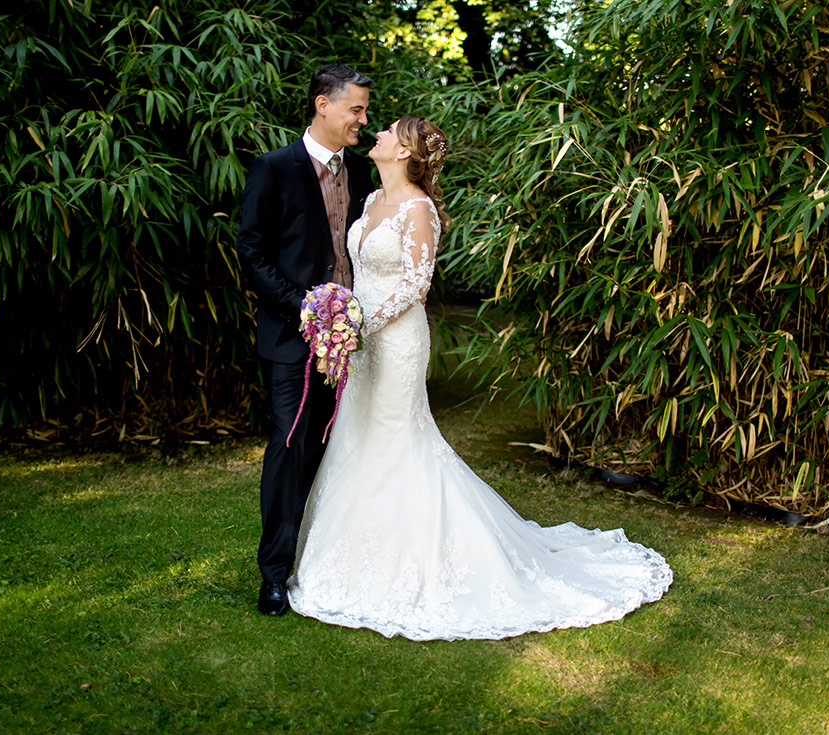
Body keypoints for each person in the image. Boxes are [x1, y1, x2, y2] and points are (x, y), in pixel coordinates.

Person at [286, 115, 673, 640]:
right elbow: (356, 270)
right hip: (360, 340)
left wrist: (360, 323)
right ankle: (348, 561)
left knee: (398, 438)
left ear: (403, 152)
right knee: (358, 436)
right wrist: (340, 312)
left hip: (396, 339)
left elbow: (417, 287)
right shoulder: (372, 202)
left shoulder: (418, 209)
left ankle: (425, 562)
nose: (374, 134)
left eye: (387, 132)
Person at [235, 64, 375, 616]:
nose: (363, 119)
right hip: (294, 341)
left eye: (364, 110)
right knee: (289, 449)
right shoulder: (274, 168)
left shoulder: (362, 172)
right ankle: (273, 574)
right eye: (356, 109)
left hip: (350, 345)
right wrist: (306, 307)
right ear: (323, 105)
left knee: (333, 450)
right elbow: (252, 253)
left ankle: (325, 561)